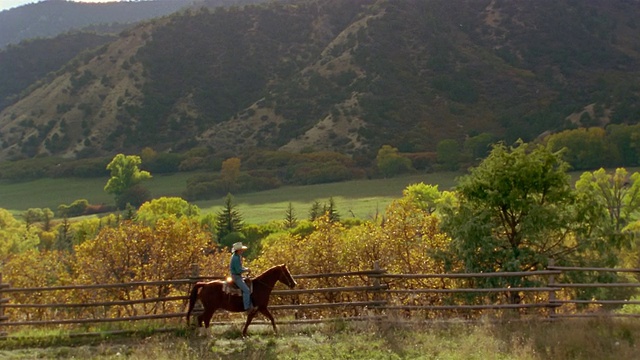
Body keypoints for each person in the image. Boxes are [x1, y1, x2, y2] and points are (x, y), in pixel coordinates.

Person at [229, 242, 256, 313]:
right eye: (241, 250)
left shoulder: (237, 256)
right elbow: (238, 270)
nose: (242, 251)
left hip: (237, 276)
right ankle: (247, 308)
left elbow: (240, 268)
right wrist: (246, 270)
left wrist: (245, 269)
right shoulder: (235, 258)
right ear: (238, 250)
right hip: (236, 276)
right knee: (246, 290)